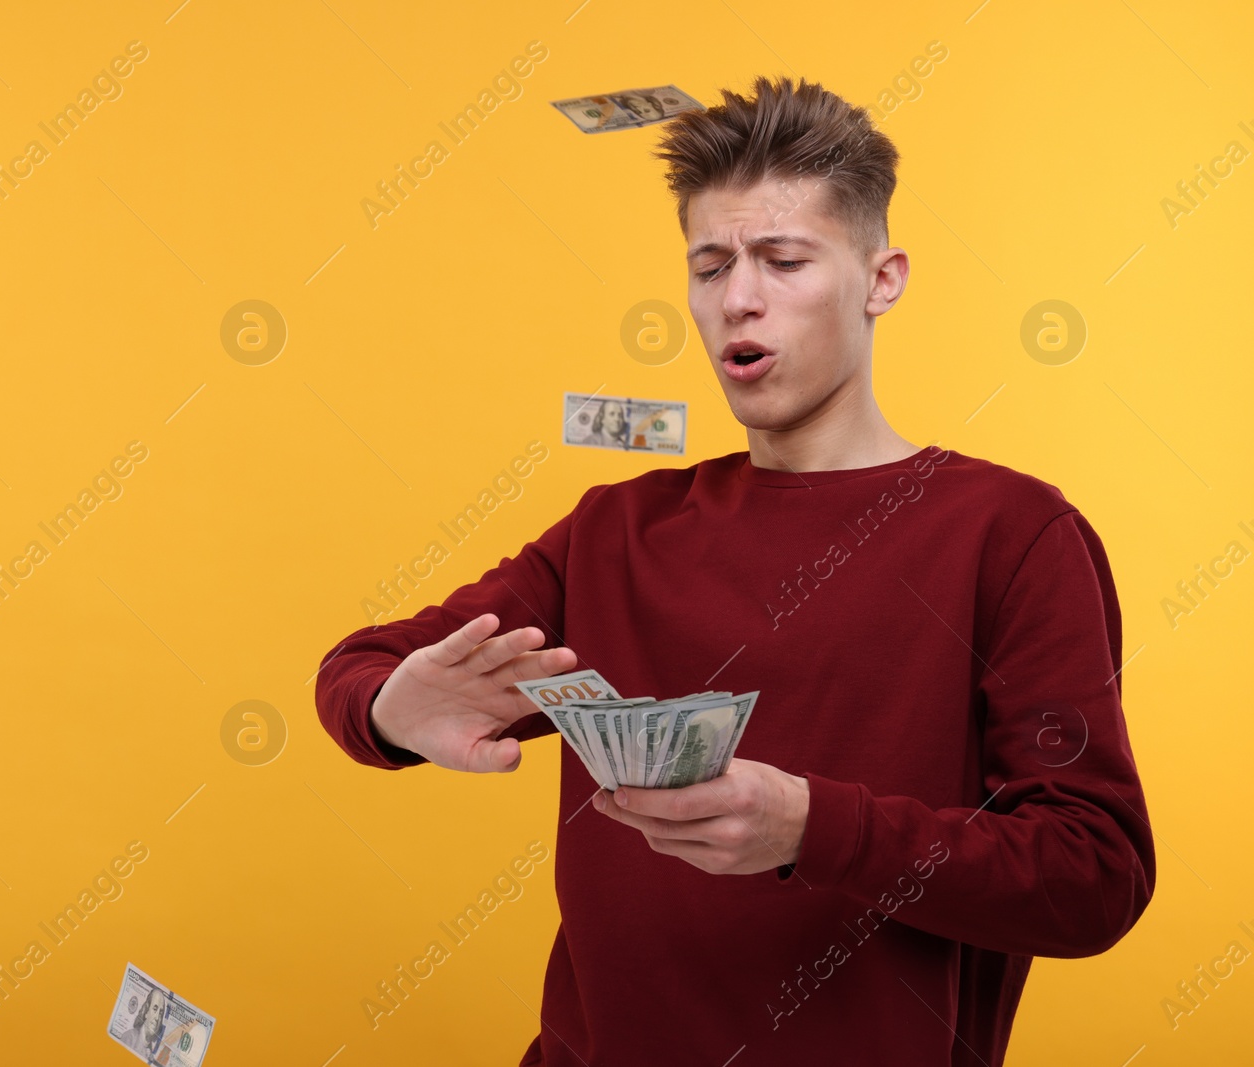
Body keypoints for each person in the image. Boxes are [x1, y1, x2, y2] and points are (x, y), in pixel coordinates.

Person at [314, 74, 1154, 1066]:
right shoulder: (614, 529)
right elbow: (365, 667)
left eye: (782, 259)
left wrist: (815, 826)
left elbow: (1090, 873)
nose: (738, 298)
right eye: (709, 265)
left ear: (881, 279)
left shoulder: (1011, 533)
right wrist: (384, 710)